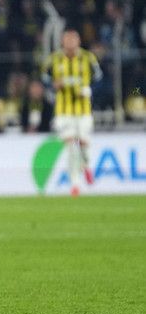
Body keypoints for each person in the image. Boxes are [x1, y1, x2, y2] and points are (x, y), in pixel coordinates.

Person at [42, 29, 102, 196]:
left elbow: (99, 79)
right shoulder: (54, 59)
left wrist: (89, 90)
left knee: (83, 143)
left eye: (73, 40)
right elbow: (44, 78)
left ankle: (87, 166)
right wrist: (52, 85)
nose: (70, 43)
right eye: (67, 40)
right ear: (62, 42)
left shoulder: (88, 58)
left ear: (78, 41)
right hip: (63, 111)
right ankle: (75, 185)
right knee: (70, 147)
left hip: (84, 110)